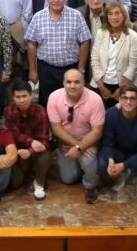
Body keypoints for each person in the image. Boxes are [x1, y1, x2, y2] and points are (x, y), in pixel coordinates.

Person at [25, 0, 92, 109]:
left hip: (70, 68)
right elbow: (31, 44)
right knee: (48, 102)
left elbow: (85, 42)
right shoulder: (38, 17)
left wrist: (81, 69)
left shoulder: (76, 16)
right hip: (46, 69)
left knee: (71, 103)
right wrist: (33, 70)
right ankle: (51, 128)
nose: (56, 0)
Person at [48, 69, 105, 203]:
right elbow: (56, 128)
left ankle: (91, 186)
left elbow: (97, 131)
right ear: (63, 83)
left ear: (83, 83)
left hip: (89, 140)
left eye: (77, 82)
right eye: (68, 82)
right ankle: (79, 166)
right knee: (69, 179)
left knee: (89, 160)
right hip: (66, 142)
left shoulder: (95, 99)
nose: (72, 86)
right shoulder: (54, 97)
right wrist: (76, 145)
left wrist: (81, 147)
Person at [97, 85, 137, 198]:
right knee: (102, 163)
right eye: (125, 98)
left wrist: (124, 165)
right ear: (119, 100)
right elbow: (107, 143)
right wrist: (110, 160)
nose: (128, 102)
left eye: (132, 98)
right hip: (121, 151)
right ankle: (121, 175)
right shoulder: (110, 114)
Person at [4, 80, 50, 200]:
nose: (22, 100)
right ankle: (25, 173)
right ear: (13, 98)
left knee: (44, 154)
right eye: (18, 97)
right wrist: (30, 142)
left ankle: (39, 183)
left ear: (31, 95)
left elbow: (44, 141)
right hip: (18, 150)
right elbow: (13, 134)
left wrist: (30, 150)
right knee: (16, 183)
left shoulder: (40, 111)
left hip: (36, 150)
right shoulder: (9, 110)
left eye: (24, 96)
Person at [90, 2, 137, 108]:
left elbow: (133, 65)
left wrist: (122, 88)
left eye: (117, 13)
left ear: (123, 16)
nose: (114, 17)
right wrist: (101, 86)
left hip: (122, 84)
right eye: (110, 14)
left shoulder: (132, 36)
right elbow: (94, 59)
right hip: (100, 83)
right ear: (107, 17)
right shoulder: (101, 33)